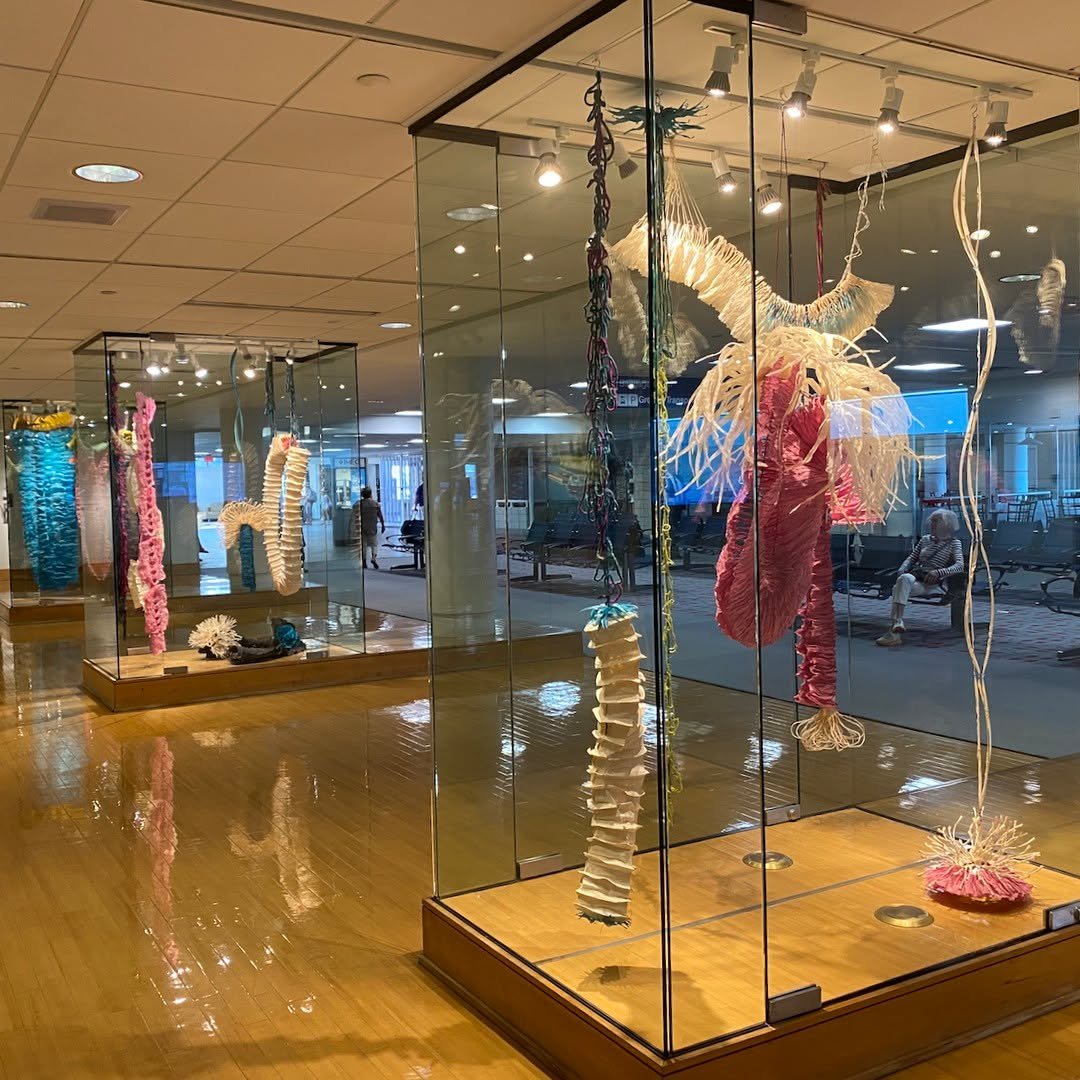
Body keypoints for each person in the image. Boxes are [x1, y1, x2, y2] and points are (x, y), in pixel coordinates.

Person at [876, 509, 964, 647]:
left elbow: (959, 566)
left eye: (936, 521)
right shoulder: (925, 540)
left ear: (946, 524)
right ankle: (897, 623)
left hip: (935, 584)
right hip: (918, 579)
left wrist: (938, 572)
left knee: (897, 589)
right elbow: (912, 558)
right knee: (904, 579)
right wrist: (902, 570)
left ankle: (894, 632)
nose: (932, 524)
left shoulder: (954, 543)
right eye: (932, 521)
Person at [357, 486, 385, 570]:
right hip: (372, 527)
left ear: (362, 495)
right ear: (370, 494)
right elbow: (380, 516)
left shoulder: (360, 504)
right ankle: (373, 558)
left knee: (363, 545)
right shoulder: (375, 504)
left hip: (362, 526)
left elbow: (355, 516)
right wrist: (383, 525)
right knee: (374, 544)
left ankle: (364, 561)